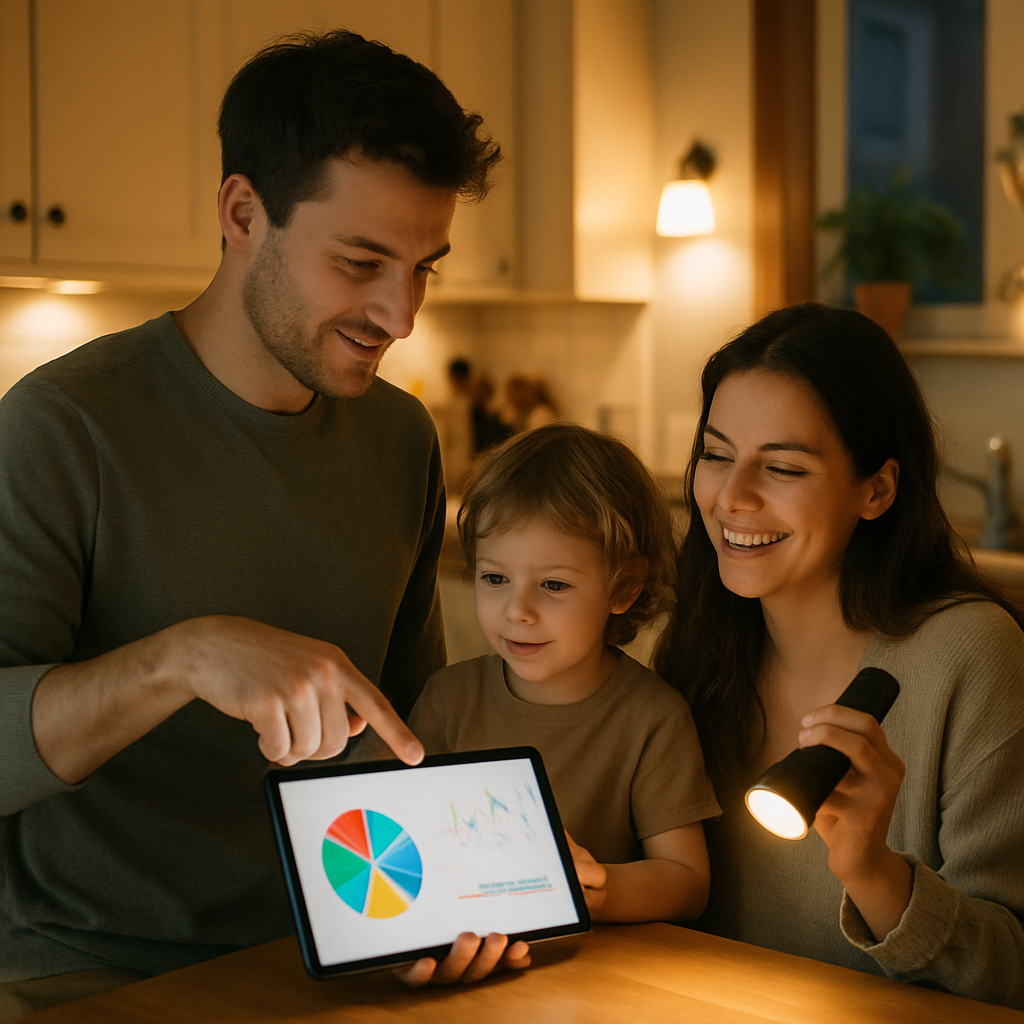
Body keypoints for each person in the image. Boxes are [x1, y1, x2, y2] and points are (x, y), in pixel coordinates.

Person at [0, 29, 508, 1018]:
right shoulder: (61, 426)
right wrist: (181, 657)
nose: (400, 315)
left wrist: (429, 910)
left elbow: (405, 733)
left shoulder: (402, 438)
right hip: (87, 968)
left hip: (333, 952)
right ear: (243, 213)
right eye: (361, 261)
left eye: (424, 267)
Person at [655, 303, 1024, 1009]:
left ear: (877, 489)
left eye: (784, 467)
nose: (732, 498)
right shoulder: (696, 648)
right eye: (716, 453)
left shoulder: (972, 657)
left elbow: (1013, 973)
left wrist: (876, 872)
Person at [360, 423, 720, 929]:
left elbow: (687, 881)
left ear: (625, 586)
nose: (518, 611)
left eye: (553, 584)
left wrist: (599, 892)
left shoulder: (653, 717)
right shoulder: (448, 697)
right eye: (495, 579)